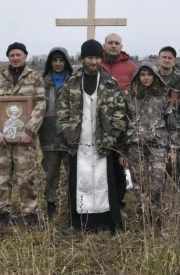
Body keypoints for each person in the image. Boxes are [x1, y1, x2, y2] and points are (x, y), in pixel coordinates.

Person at [57, 39, 126, 235]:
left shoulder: (110, 83)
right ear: (83, 58)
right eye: (89, 57)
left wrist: (113, 134)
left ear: (101, 58)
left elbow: (120, 112)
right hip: (77, 141)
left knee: (103, 181)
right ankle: (78, 223)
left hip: (103, 142)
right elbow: (61, 110)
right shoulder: (71, 83)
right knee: (79, 181)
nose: (93, 61)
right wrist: (66, 131)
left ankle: (106, 224)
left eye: (96, 57)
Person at [0, 42, 46, 229]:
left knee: (27, 178)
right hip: (1, 140)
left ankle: (31, 214)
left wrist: (29, 131)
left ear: (25, 56)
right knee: (2, 178)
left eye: (18, 54)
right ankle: (2, 214)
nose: (15, 58)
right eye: (12, 55)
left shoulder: (35, 78)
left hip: (25, 141)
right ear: (8, 57)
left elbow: (40, 105)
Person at [124, 62, 179, 238]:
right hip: (135, 147)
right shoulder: (129, 96)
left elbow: (172, 125)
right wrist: (122, 151)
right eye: (142, 74)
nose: (146, 77)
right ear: (137, 77)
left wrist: (173, 149)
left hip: (158, 147)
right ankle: (144, 228)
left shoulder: (163, 96)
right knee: (140, 189)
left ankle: (157, 229)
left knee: (156, 187)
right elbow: (121, 124)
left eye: (149, 74)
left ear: (155, 76)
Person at [101, 33, 135, 219]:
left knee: (120, 166)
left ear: (121, 46)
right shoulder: (97, 64)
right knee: (101, 166)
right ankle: (102, 204)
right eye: (110, 43)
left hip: (123, 125)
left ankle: (119, 204)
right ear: (104, 45)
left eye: (116, 43)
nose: (113, 46)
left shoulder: (131, 67)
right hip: (100, 126)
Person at [156, 46, 180, 207]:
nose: (166, 60)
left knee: (176, 168)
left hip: (173, 134)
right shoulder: (151, 78)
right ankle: (157, 204)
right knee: (156, 170)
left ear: (174, 61)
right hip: (154, 132)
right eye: (164, 57)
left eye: (170, 58)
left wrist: (175, 126)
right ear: (158, 59)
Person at [38, 47, 73, 218]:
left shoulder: (74, 81)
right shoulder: (41, 83)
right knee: (51, 173)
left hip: (70, 137)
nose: (58, 63)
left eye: (61, 60)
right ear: (50, 62)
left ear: (66, 62)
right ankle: (51, 207)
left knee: (72, 173)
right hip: (48, 134)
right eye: (55, 60)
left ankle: (74, 207)